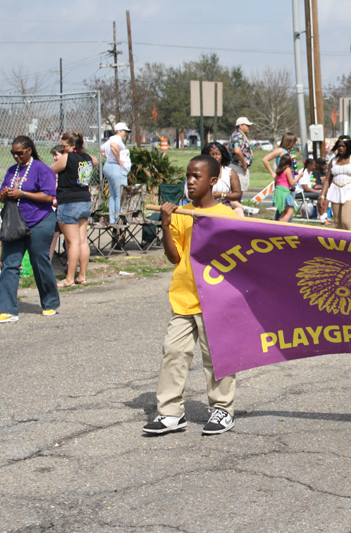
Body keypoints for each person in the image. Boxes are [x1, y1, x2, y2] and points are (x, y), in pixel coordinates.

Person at [143, 154, 237, 436]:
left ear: (213, 180)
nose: (190, 181)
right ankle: (170, 412)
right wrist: (165, 223)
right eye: (188, 175)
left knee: (217, 356)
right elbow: (174, 257)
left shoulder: (228, 217)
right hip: (184, 296)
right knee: (174, 352)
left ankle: (222, 408)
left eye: (197, 176)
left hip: (216, 301)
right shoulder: (181, 213)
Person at [0, 136, 60, 323]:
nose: (16, 156)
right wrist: (4, 194)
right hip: (15, 223)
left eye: (19, 153)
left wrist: (23, 193)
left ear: (29, 151)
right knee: (10, 263)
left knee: (40, 262)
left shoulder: (41, 169)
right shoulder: (11, 171)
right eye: (13, 153)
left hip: (40, 221)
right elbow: (1, 197)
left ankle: (50, 302)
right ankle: (7, 309)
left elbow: (49, 197)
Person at [50, 132, 98, 287]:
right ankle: (82, 276)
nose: (63, 150)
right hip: (84, 200)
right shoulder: (89, 158)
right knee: (83, 241)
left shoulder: (66, 158)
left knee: (73, 242)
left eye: (64, 146)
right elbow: (95, 161)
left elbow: (49, 171)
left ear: (72, 145)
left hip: (69, 202)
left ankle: (69, 278)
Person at [318, 135, 351, 231]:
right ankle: (339, 245)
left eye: (343, 146)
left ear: (348, 147)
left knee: (346, 222)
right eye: (339, 146)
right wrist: (322, 196)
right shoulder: (333, 161)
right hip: (335, 191)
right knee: (337, 224)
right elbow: (328, 180)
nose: (341, 148)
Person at [201, 142, 244, 217]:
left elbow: (238, 194)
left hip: (225, 210)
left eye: (217, 154)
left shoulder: (230, 172)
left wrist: (222, 195)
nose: (215, 157)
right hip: (206, 210)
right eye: (212, 154)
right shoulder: (201, 172)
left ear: (222, 156)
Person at [101, 123, 131, 223]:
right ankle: (119, 219)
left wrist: (108, 158)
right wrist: (118, 159)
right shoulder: (116, 139)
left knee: (113, 195)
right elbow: (113, 146)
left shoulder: (110, 139)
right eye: (124, 131)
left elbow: (101, 149)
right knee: (120, 195)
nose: (126, 134)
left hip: (110, 166)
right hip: (116, 168)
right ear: (119, 131)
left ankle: (112, 220)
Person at [272, 154, 299, 222]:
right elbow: (292, 183)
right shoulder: (287, 169)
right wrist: (299, 176)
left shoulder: (279, 170)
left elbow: (276, 180)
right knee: (290, 211)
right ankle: (281, 228)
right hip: (284, 191)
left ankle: (278, 227)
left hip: (278, 191)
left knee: (284, 212)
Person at [229, 117, 254, 191]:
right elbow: (237, 150)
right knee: (238, 191)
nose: (249, 127)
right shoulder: (238, 136)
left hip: (238, 166)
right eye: (247, 125)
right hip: (238, 167)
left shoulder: (237, 135)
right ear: (240, 126)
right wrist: (244, 163)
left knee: (237, 191)